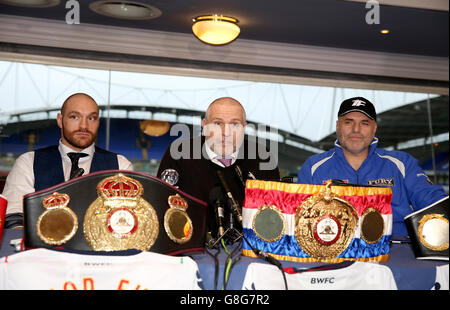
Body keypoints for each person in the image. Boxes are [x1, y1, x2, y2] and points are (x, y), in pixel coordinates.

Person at [297, 96, 448, 236]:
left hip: (396, 249)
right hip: (333, 251)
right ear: (338, 126)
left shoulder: (402, 163)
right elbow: (299, 218)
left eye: (364, 123)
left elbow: (433, 201)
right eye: (348, 122)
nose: (356, 129)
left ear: (374, 128)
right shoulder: (313, 167)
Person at [2, 93, 133, 226]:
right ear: (60, 120)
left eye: (91, 118)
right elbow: (14, 218)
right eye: (75, 117)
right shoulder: (28, 162)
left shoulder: (120, 166)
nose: (84, 126)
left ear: (98, 122)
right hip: (39, 246)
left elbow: (126, 222)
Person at [157, 97, 280, 237]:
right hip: (190, 246)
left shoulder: (263, 158)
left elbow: (274, 218)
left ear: (244, 128)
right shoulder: (179, 153)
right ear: (205, 125)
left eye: (234, 124)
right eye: (217, 123)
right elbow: (162, 207)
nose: (225, 132)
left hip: (249, 249)